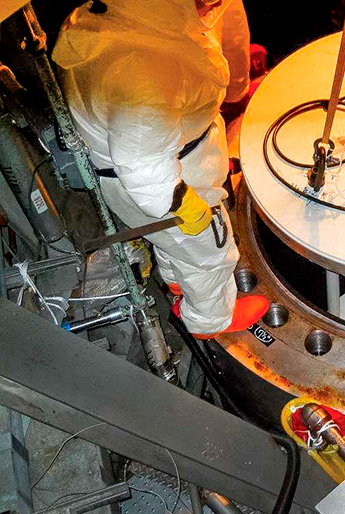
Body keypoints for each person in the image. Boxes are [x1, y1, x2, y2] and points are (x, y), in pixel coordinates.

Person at [52, 0, 269, 338]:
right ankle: (211, 319)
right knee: (210, 251)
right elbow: (145, 170)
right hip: (164, 183)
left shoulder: (131, 18)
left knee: (171, 242)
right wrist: (186, 205)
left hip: (146, 167)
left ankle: (180, 286)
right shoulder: (144, 71)